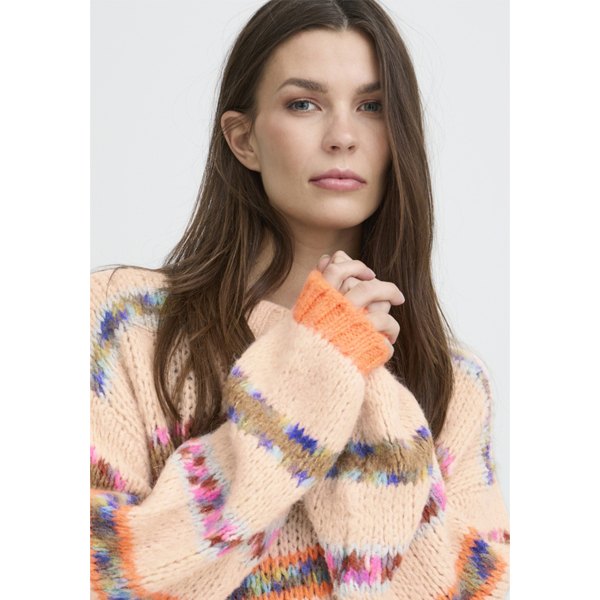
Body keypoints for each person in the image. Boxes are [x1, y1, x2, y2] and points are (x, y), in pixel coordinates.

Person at [90, 0, 510, 598]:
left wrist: (369, 388)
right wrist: (310, 375)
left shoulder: (457, 383)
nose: (342, 137)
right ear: (243, 140)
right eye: (304, 104)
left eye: (372, 106)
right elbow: (94, 571)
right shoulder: (124, 323)